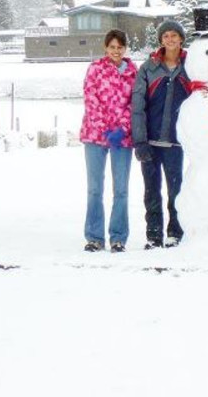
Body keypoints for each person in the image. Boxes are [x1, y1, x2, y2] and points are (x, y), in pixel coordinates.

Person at [131, 20, 191, 249]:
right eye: (165, 36)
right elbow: (137, 106)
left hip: (176, 142)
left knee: (176, 189)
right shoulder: (149, 67)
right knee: (151, 190)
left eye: (174, 35)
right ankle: (153, 234)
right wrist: (140, 140)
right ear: (161, 40)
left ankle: (175, 231)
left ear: (181, 39)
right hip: (151, 140)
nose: (170, 39)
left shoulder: (190, 66)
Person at [80, 29, 138, 253]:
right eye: (112, 47)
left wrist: (122, 128)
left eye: (120, 47)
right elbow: (90, 99)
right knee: (95, 188)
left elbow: (135, 103)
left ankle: (118, 237)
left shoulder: (133, 71)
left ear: (125, 48)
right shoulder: (95, 69)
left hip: (122, 139)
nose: (116, 51)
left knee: (121, 189)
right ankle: (94, 236)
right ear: (106, 48)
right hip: (95, 136)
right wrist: (105, 128)